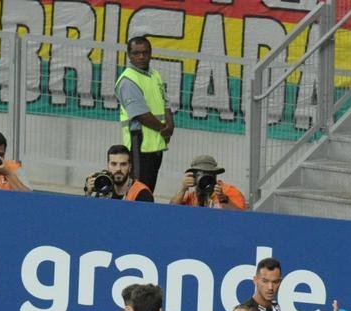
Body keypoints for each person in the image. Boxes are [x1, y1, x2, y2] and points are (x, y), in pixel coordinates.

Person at [115, 36, 173, 191]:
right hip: (139, 144)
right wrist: (164, 128)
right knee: (138, 190)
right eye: (136, 53)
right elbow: (141, 114)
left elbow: (164, 102)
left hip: (156, 144)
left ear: (151, 53)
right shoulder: (128, 80)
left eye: (145, 52)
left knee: (148, 190)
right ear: (129, 55)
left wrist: (170, 124)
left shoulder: (154, 75)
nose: (141, 56)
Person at [170, 155, 246, 209]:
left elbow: (240, 217)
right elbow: (170, 211)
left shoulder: (228, 191)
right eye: (201, 173)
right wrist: (183, 188)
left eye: (209, 172)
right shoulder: (191, 197)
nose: (205, 178)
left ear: (215, 174)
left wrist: (223, 198)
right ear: (194, 176)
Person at [85, 144, 154, 201]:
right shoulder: (105, 188)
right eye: (114, 164)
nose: (118, 169)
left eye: (123, 164)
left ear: (130, 167)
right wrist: (88, 195)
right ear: (108, 165)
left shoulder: (142, 193)